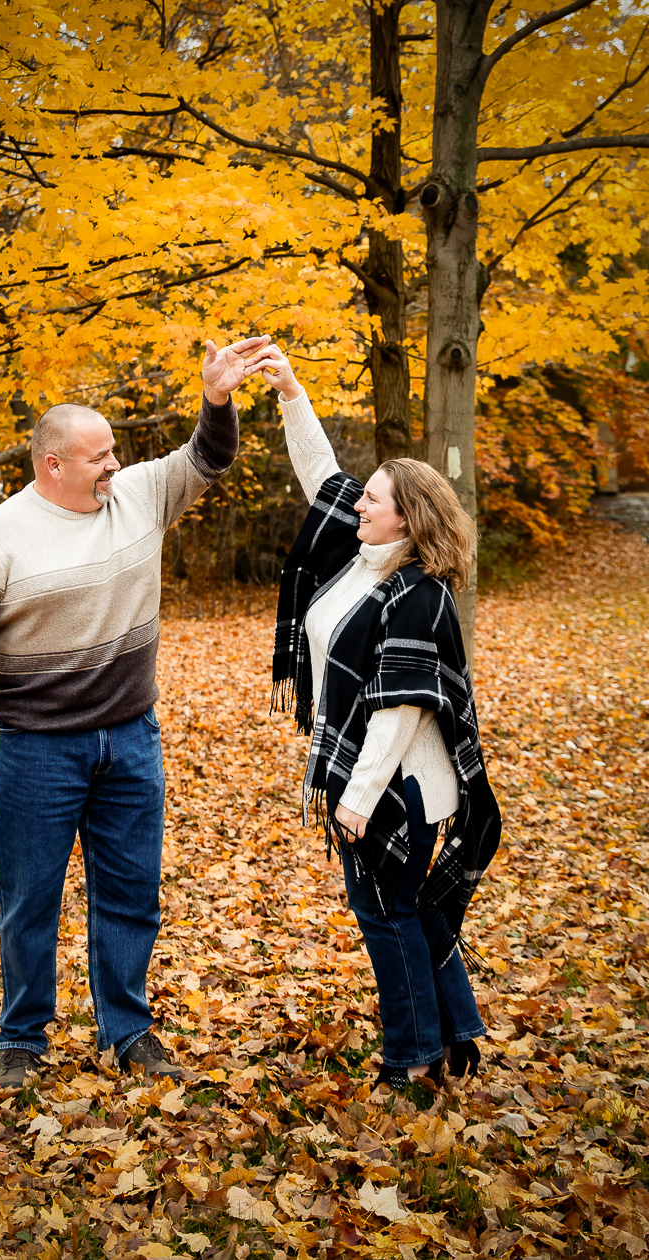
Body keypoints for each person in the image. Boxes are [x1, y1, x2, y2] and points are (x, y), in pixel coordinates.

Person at [0, 334, 270, 1088]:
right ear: (54, 465)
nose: (115, 464)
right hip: (34, 750)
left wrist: (217, 399)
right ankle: (22, 1034)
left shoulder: (138, 496)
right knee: (28, 901)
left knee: (131, 893)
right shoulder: (0, 538)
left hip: (129, 740)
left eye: (114, 451)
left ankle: (129, 1029)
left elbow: (207, 459)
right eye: (99, 455)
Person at [246, 343, 501, 1090]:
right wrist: (291, 389)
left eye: (375, 499)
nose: (359, 503)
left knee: (388, 919)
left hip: (399, 786)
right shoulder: (361, 560)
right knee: (411, 912)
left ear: (407, 517)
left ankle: (412, 1062)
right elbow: (319, 471)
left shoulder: (417, 593)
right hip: (369, 772)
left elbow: (399, 711)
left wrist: (354, 802)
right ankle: (453, 1035)